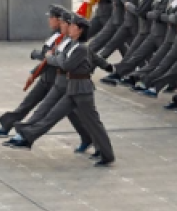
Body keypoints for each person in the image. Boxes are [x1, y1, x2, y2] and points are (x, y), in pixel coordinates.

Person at [10, 15, 116, 167]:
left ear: (80, 30)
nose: (70, 28)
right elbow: (61, 59)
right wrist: (56, 57)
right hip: (72, 89)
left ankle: (107, 155)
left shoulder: (80, 48)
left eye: (73, 26)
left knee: (93, 123)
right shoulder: (71, 44)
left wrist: (52, 58)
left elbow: (66, 64)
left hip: (82, 91)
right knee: (51, 117)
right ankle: (27, 137)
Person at [0, 4, 66, 138]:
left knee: (70, 113)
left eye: (51, 18)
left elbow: (48, 56)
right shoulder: (54, 35)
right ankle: (7, 126)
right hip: (46, 78)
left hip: (57, 81)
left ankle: (89, 137)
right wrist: (34, 72)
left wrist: (35, 54)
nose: (49, 21)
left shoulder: (64, 37)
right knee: (26, 104)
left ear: (59, 20)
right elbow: (46, 57)